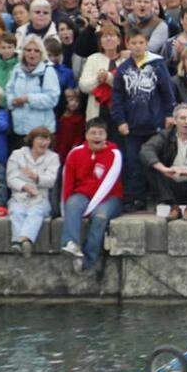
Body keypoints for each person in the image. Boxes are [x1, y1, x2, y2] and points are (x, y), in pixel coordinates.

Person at [111, 28, 176, 211]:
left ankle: (161, 196)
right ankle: (136, 197)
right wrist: (120, 121)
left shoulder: (157, 64)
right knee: (134, 163)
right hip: (132, 127)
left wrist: (169, 114)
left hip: (155, 124)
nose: (137, 46)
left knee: (158, 161)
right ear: (127, 44)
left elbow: (167, 92)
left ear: (146, 43)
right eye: (133, 43)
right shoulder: (123, 69)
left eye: (141, 43)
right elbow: (117, 98)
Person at [61, 118, 124, 276]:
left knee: (100, 217)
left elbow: (108, 184)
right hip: (82, 194)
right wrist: (66, 209)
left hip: (109, 197)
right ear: (86, 135)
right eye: (93, 133)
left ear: (106, 136)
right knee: (73, 204)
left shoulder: (114, 154)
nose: (97, 137)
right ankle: (71, 244)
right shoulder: (75, 154)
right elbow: (67, 182)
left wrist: (89, 209)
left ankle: (88, 260)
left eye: (101, 133)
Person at [6, 126, 59, 256]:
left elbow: (51, 180)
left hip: (41, 197)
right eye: (40, 139)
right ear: (32, 140)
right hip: (19, 196)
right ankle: (20, 243)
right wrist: (25, 186)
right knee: (17, 211)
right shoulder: (17, 155)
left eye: (47, 139)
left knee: (36, 212)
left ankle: (23, 241)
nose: (44, 143)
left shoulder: (53, 157)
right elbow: (11, 178)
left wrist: (36, 177)